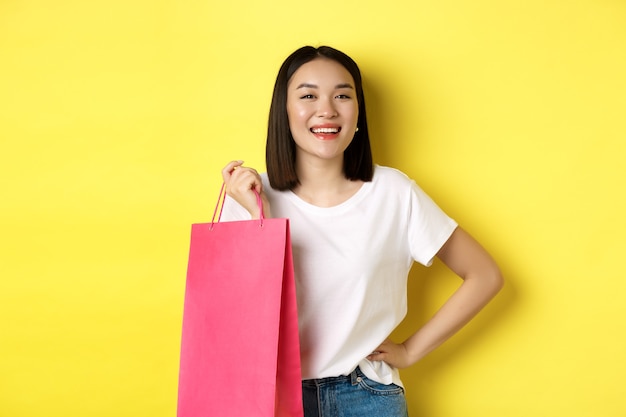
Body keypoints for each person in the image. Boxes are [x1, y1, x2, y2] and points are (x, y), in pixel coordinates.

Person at [219, 45, 503, 417]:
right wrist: (262, 219)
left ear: (358, 114)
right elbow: (237, 317)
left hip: (365, 396)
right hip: (266, 395)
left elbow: (484, 275)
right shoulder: (250, 196)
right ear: (284, 111)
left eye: (342, 95)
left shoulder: (394, 192)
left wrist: (411, 350)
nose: (327, 109)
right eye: (308, 95)